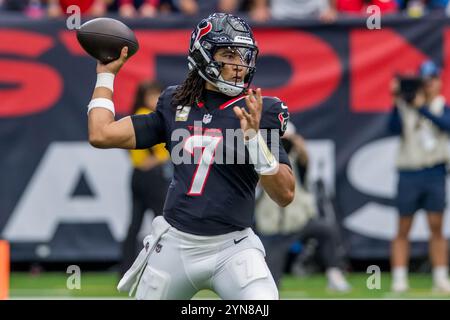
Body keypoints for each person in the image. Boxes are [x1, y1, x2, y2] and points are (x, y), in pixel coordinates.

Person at [86, 12, 295, 299]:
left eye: (244, 56)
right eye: (229, 54)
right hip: (175, 245)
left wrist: (253, 139)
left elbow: (284, 194)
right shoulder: (175, 104)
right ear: (203, 56)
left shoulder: (258, 109)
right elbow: (101, 134)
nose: (239, 65)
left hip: (233, 248)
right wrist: (107, 75)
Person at [255, 122, 351, 292]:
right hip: (272, 230)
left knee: (326, 230)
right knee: (271, 284)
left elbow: (305, 161)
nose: (282, 144)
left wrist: (297, 144)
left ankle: (334, 274)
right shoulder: (261, 158)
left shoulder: (296, 162)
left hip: (298, 222)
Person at [388, 60, 450, 293]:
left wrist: (421, 107)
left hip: (434, 171)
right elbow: (392, 129)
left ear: (438, 81)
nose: (429, 84)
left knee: (437, 226)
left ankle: (441, 276)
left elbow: (447, 124)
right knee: (403, 226)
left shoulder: (440, 106)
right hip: (409, 173)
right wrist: (396, 102)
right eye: (425, 80)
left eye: (433, 79)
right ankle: (400, 277)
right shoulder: (405, 105)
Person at [119, 81, 171, 277]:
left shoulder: (134, 116)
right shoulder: (147, 117)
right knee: (162, 223)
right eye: (152, 96)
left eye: (158, 95)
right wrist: (158, 159)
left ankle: (125, 269)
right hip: (152, 178)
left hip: (137, 176)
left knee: (134, 224)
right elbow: (161, 153)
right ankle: (162, 266)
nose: (156, 100)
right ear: (144, 97)